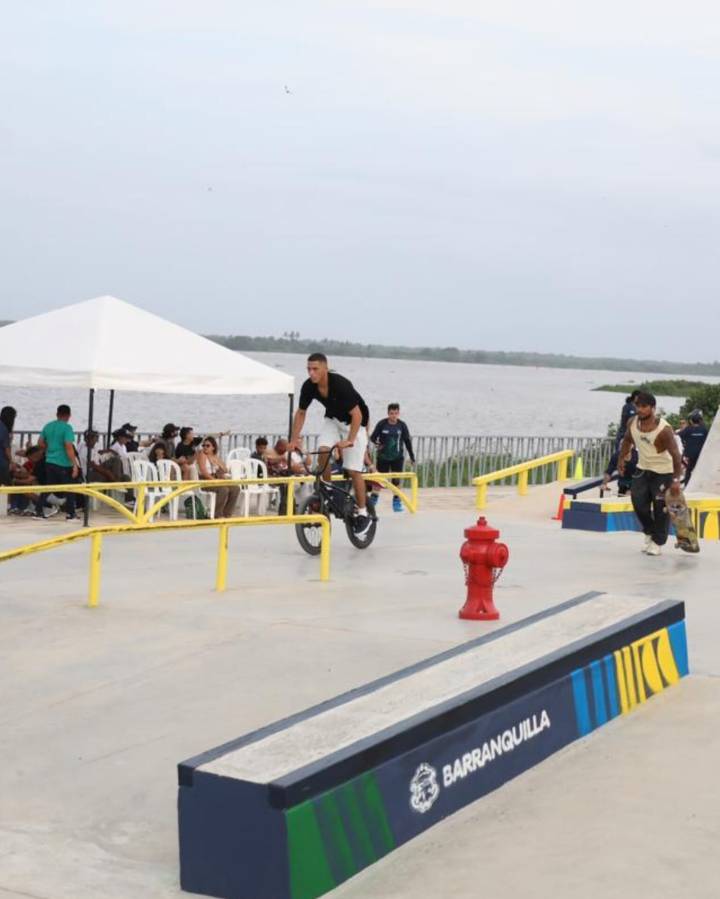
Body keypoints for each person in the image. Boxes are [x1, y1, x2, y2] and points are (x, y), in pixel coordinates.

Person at [289, 352, 372, 535]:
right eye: (308, 369)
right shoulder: (308, 386)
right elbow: (301, 412)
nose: (311, 373)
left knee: (353, 470)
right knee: (323, 450)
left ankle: (363, 513)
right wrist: (294, 439)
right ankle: (327, 491)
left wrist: (349, 440)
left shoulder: (340, 384)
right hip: (333, 420)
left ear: (325, 368)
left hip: (355, 425)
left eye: (315, 369)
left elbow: (357, 415)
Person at [618, 391, 683, 556]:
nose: (639, 409)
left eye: (643, 406)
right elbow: (627, 439)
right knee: (638, 503)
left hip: (664, 473)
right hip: (643, 469)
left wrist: (676, 480)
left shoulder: (664, 430)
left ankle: (657, 542)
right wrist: (621, 459)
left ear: (652, 408)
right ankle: (649, 531)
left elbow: (676, 455)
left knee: (660, 507)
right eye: (637, 406)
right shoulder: (632, 422)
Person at [35, 404, 80, 520]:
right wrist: (74, 464)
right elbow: (68, 446)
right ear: (69, 415)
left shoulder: (48, 426)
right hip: (64, 463)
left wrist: (49, 448)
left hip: (50, 461)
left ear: (57, 414)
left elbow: (39, 442)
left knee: (48, 487)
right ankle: (71, 514)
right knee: (69, 488)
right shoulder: (67, 428)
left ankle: (38, 511)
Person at [370, 403, 415, 512]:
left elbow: (407, 441)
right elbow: (372, 437)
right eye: (391, 413)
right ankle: (371, 504)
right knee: (379, 481)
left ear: (398, 413)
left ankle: (396, 503)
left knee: (396, 481)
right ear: (388, 413)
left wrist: (412, 457)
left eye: (395, 413)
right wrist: (377, 444)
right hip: (383, 458)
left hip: (397, 458)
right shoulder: (382, 424)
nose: (393, 416)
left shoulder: (402, 425)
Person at [196, 435, 240, 518]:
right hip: (205, 480)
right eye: (203, 445)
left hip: (216, 478)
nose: (205, 447)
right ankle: (217, 514)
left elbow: (226, 470)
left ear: (213, 447)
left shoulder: (215, 456)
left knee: (236, 488)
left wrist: (217, 463)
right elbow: (203, 471)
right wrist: (214, 480)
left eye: (207, 445)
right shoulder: (202, 455)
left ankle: (227, 513)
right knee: (223, 489)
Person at [678, 411, 708, 487]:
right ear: (700, 420)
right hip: (701, 454)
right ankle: (700, 485)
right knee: (700, 470)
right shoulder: (704, 429)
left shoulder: (688, 429)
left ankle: (687, 485)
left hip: (690, 454)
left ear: (691, 420)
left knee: (689, 470)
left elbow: (679, 436)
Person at [0, 405, 17, 486]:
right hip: (2, 464)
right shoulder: (4, 429)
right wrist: (12, 462)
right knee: (9, 486)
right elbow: (6, 449)